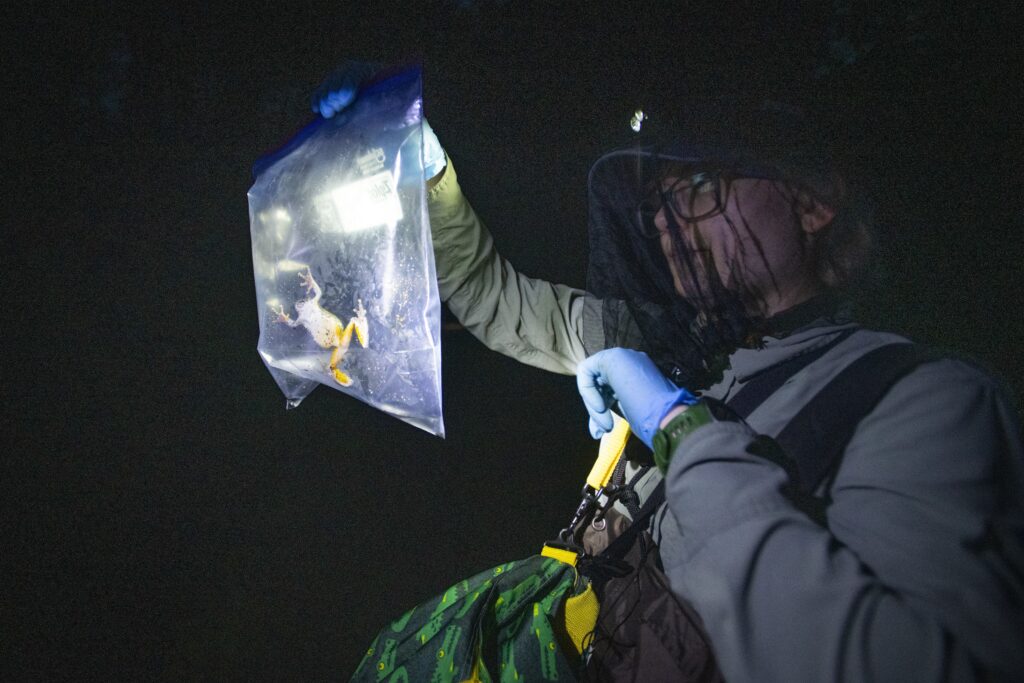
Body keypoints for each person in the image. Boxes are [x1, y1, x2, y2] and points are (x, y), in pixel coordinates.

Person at [314, 66, 1024, 680]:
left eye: (703, 183)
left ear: (811, 201)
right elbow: (496, 300)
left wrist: (677, 423)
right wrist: (430, 171)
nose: (667, 222)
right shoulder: (662, 341)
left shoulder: (926, 399)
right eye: (657, 203)